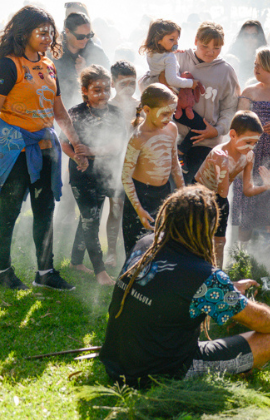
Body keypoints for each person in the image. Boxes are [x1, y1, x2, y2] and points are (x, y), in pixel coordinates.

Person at [99, 185, 270, 385]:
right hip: (158, 372)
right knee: (269, 342)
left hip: (115, 361)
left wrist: (230, 287)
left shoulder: (147, 243)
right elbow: (256, 318)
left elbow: (168, 286)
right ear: (206, 227)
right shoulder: (203, 277)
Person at [0, 5, 86, 291]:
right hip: (15, 150)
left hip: (45, 148)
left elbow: (59, 111)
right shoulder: (7, 66)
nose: (47, 37)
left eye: (50, 33)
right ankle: (1, 271)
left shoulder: (49, 64)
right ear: (24, 32)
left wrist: (75, 142)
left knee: (44, 209)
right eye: (41, 32)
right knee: (10, 209)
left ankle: (45, 272)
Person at [61, 65, 126, 286]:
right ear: (85, 91)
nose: (103, 94)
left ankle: (76, 262)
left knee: (91, 217)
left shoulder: (116, 113)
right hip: (81, 174)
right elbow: (62, 142)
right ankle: (100, 273)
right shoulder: (75, 113)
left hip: (105, 173)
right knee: (91, 220)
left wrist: (91, 152)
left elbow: (118, 145)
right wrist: (76, 157)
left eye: (107, 89)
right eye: (97, 90)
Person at [233, 47, 270, 243]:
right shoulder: (249, 91)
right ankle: (240, 260)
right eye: (255, 64)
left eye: (261, 65)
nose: (256, 68)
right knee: (247, 214)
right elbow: (239, 122)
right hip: (252, 157)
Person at [196, 110, 270, 265]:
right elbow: (223, 193)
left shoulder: (248, 155)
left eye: (255, 143)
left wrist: (265, 186)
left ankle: (218, 275)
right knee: (200, 239)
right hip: (199, 196)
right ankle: (198, 273)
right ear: (232, 135)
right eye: (247, 142)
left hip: (220, 197)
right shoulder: (220, 156)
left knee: (220, 242)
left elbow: (247, 190)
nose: (251, 147)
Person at [121, 84, 184, 257]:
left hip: (163, 194)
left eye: (171, 113)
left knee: (160, 246)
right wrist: (139, 210)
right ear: (147, 110)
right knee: (137, 250)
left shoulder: (171, 129)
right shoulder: (138, 138)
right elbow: (126, 177)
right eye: (164, 113)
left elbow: (174, 164)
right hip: (141, 196)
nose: (168, 118)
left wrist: (182, 192)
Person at [176, 21, 240, 184]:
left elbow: (230, 108)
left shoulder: (226, 71)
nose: (211, 52)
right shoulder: (178, 58)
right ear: (196, 40)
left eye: (216, 48)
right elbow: (148, 81)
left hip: (206, 142)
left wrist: (218, 130)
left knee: (197, 194)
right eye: (205, 46)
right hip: (174, 139)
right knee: (173, 195)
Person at [138, 19, 206, 163]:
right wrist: (190, 83)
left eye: (177, 39)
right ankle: (180, 152)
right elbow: (172, 80)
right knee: (200, 125)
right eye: (171, 39)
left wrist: (173, 51)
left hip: (158, 98)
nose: (176, 42)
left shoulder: (151, 53)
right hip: (172, 100)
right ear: (158, 40)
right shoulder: (169, 57)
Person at [105, 60, 139, 265]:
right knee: (116, 206)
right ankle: (111, 252)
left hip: (137, 162)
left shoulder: (141, 105)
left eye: (132, 83)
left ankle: (134, 251)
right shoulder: (108, 107)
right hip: (115, 162)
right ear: (113, 83)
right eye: (123, 83)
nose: (128, 88)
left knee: (134, 208)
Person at [52, 12, 110, 108]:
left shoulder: (96, 52)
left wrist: (86, 71)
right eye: (80, 36)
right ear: (67, 31)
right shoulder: (53, 52)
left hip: (90, 109)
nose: (85, 39)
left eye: (89, 35)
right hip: (58, 107)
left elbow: (109, 81)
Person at [229, 20, 267, 85]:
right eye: (246, 35)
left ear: (259, 37)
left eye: (254, 35)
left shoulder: (266, 57)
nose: (250, 38)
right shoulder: (233, 55)